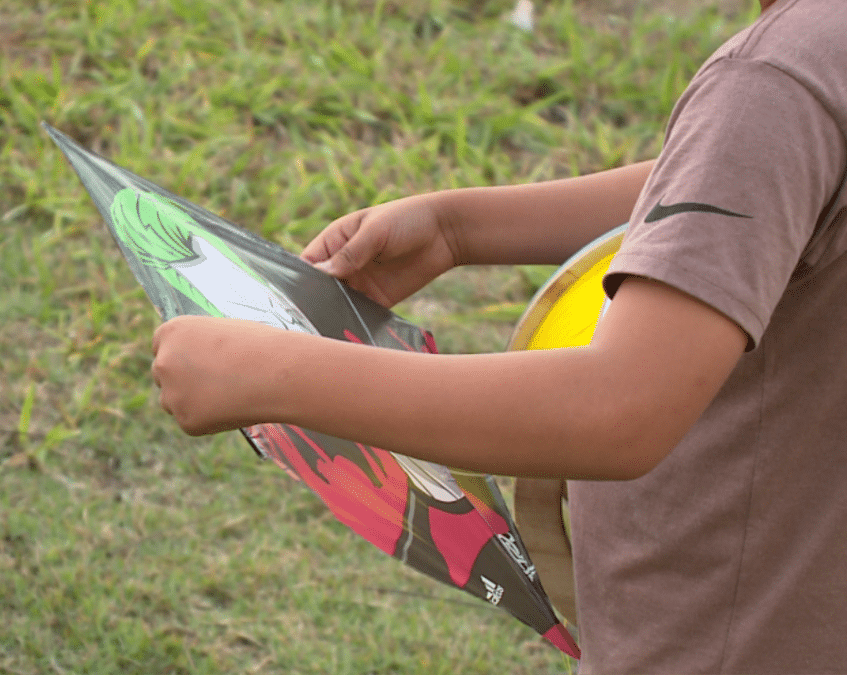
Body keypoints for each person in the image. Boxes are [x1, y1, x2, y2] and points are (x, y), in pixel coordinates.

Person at [149, 0, 847, 671]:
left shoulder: (778, 81)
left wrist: (273, 375)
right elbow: (749, 177)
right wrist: (461, 228)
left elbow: (619, 410)